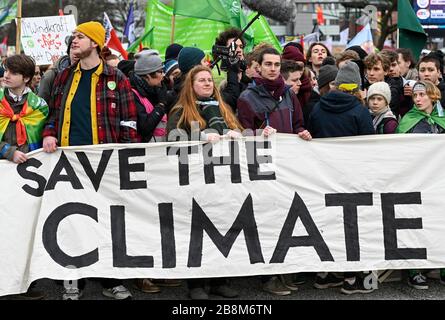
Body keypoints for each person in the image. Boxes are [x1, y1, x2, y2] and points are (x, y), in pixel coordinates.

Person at [42, 21, 139, 300]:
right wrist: (50, 134)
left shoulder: (116, 77)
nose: (74, 40)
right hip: (69, 163)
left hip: (104, 163)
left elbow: (129, 121)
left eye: (80, 37)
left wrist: (125, 156)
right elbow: (53, 115)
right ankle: (73, 279)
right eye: (74, 36)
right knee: (72, 219)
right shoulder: (63, 77)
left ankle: (110, 280)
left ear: (95, 43)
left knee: (107, 220)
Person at [167, 65, 242, 300]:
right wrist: (198, 137)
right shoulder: (180, 111)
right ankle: (196, 285)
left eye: (210, 80)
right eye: (201, 80)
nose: (208, 83)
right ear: (191, 85)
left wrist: (238, 133)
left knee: (223, 228)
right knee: (197, 233)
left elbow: (238, 131)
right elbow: (170, 140)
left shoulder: (223, 109)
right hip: (195, 183)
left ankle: (221, 281)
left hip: (221, 183)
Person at [0, 54, 48, 300]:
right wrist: (8, 152)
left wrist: (26, 154)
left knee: (23, 230)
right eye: (6, 70)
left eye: (12, 72)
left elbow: (40, 139)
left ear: (27, 78)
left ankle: (22, 285)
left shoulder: (39, 106)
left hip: (25, 178)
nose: (6, 75)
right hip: (2, 173)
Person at [237, 47, 311, 140]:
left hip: (289, 152)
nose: (273, 69)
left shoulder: (289, 93)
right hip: (264, 152)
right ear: (258, 67)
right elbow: (244, 133)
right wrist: (260, 133)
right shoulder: (246, 98)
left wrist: (302, 133)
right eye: (268, 64)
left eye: (277, 65)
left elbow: (298, 125)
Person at [38, 35, 79, 104]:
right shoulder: (51, 76)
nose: (76, 52)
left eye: (78, 48)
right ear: (68, 51)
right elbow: (41, 107)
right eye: (72, 48)